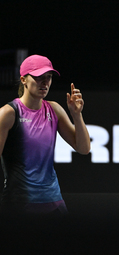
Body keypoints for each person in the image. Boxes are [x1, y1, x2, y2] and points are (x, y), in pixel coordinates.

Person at [0, 54, 91, 216]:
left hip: (54, 202)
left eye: (48, 77)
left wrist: (77, 115)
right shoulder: (8, 113)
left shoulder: (54, 110)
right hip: (18, 204)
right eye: (38, 77)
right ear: (23, 80)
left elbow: (83, 149)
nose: (45, 82)